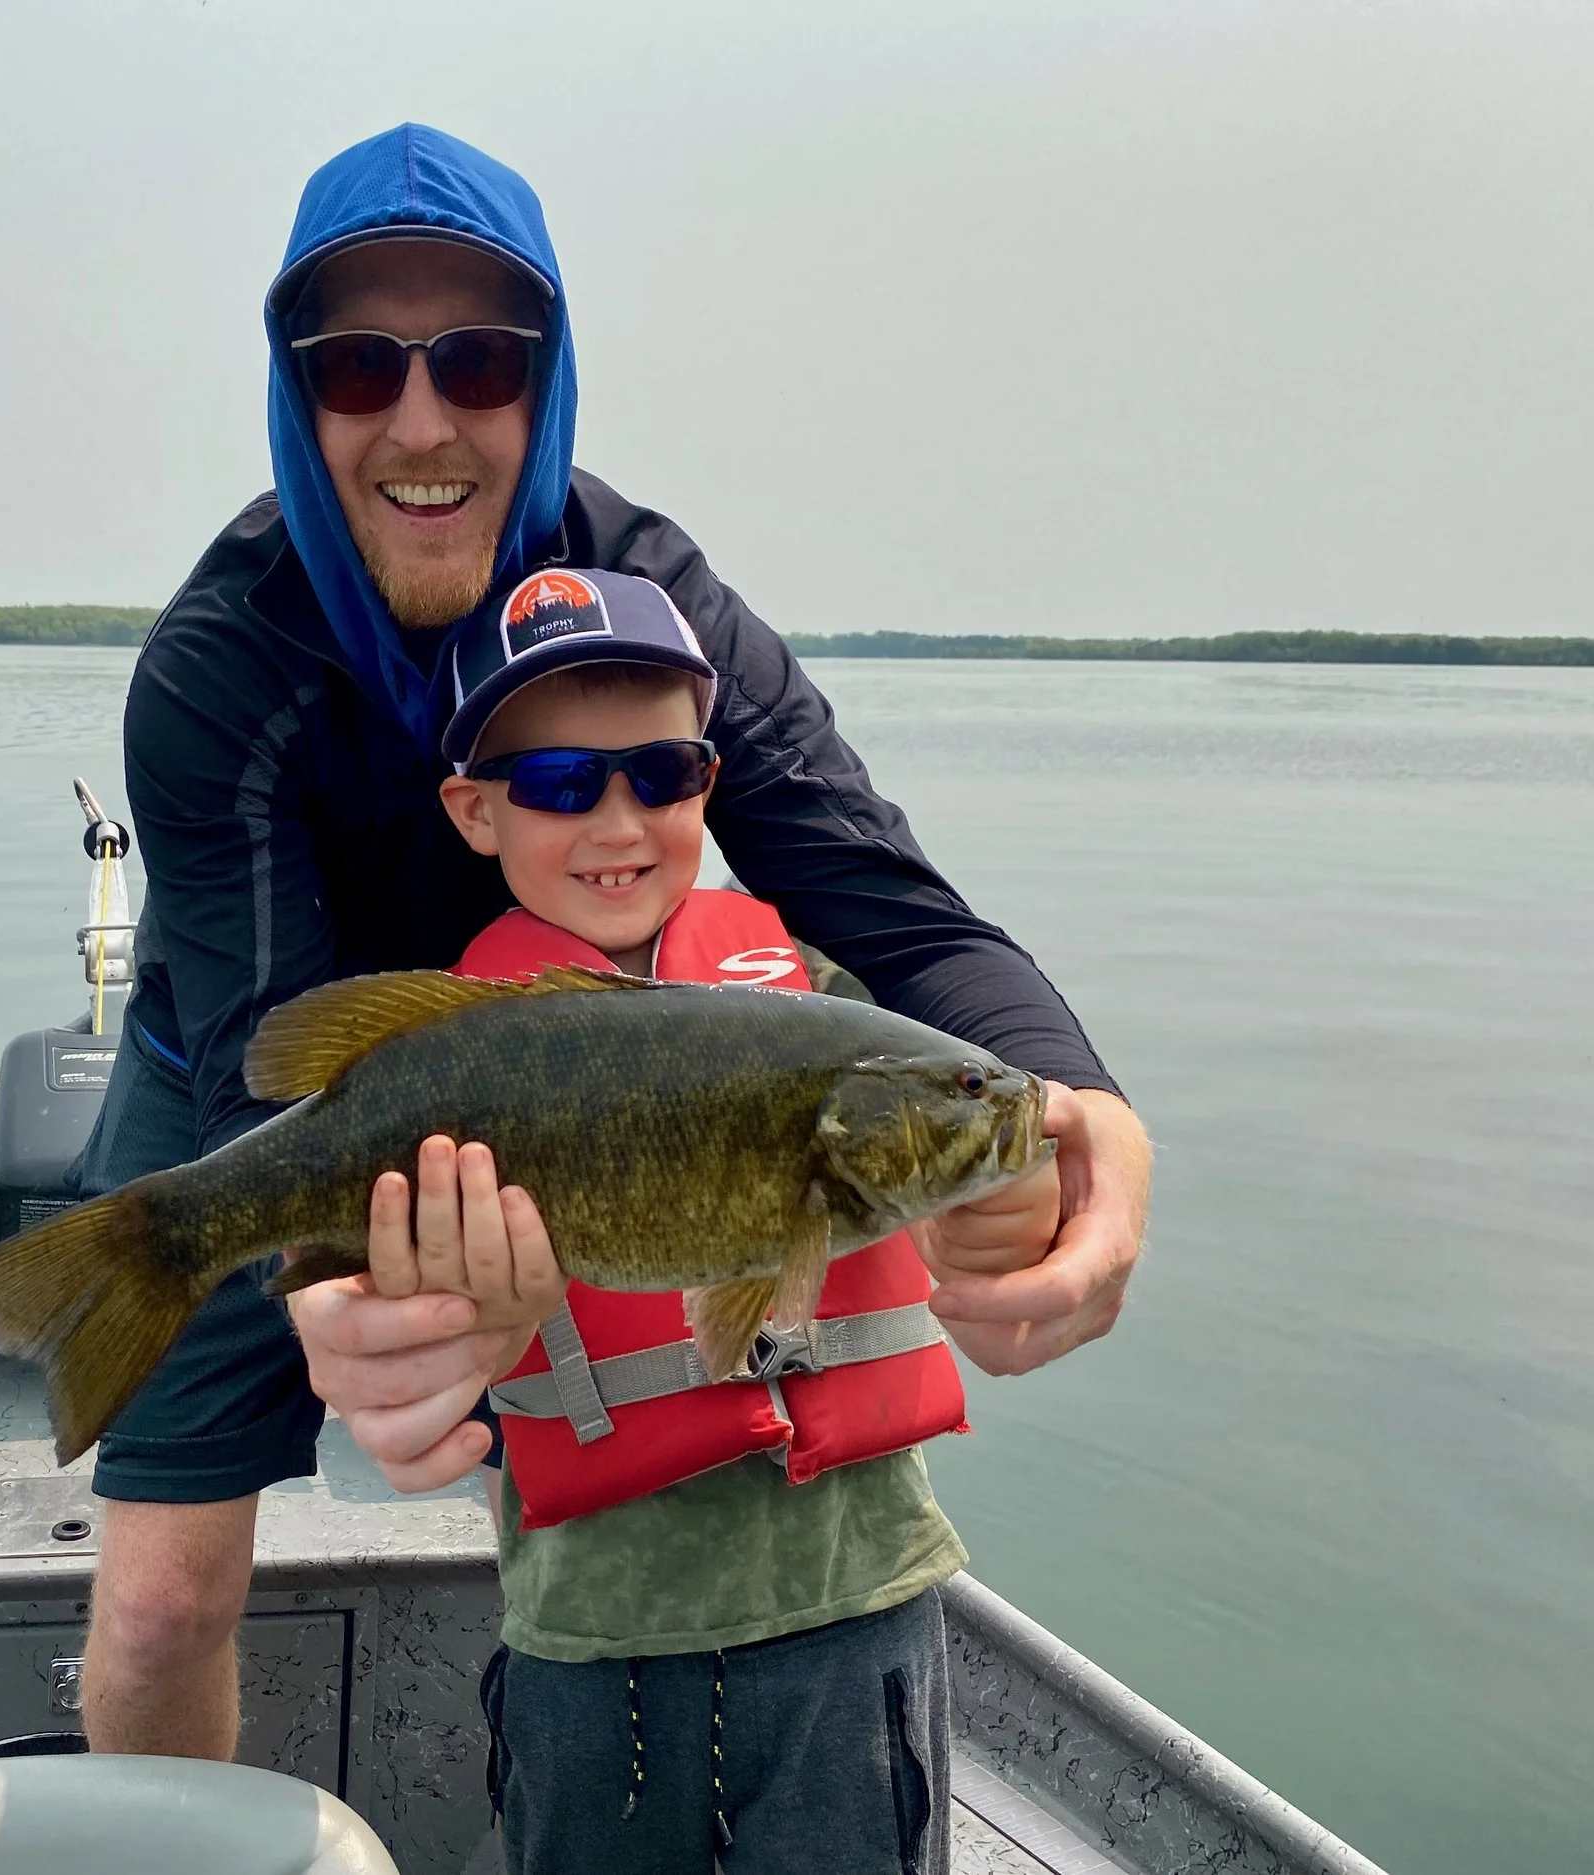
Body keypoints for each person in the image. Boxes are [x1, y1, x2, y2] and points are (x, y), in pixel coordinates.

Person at [74, 121, 1152, 1766]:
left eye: (483, 360)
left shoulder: (659, 604)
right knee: (155, 1604)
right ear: (299, 393)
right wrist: (342, 1294)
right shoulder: (219, 666)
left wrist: (1090, 1109)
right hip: (252, 1080)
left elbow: (895, 912)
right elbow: (264, 1058)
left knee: (574, 1422)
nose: (423, 419)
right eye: (361, 365)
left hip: (584, 1081)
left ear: (545, 379)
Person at [333, 566, 1027, 1872]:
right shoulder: (462, 1041)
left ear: (713, 782)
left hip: (853, 1610)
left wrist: (1022, 1201)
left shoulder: (820, 992)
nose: (617, 816)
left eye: (663, 773)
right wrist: (427, 1319)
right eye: (556, 785)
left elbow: (972, 1207)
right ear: (475, 811)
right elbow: (394, 1346)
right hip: (598, 1644)